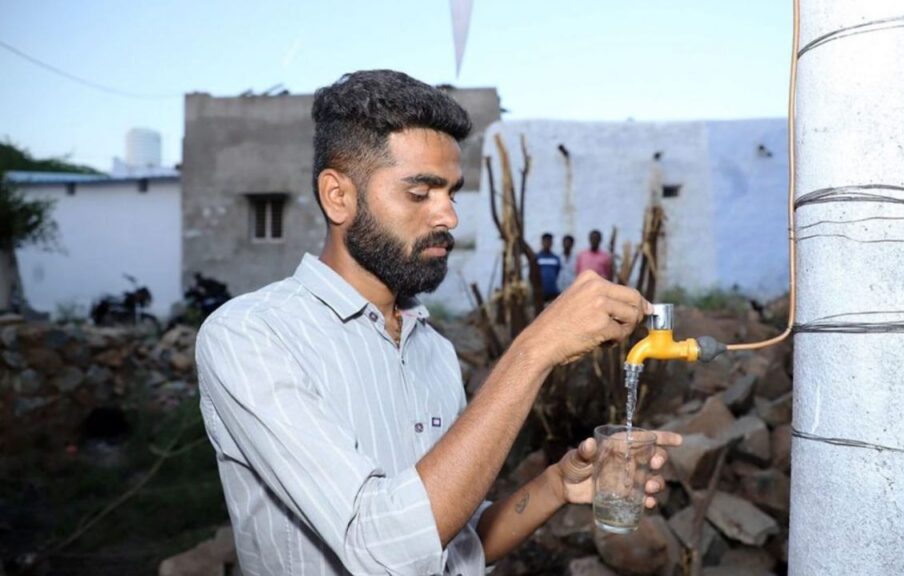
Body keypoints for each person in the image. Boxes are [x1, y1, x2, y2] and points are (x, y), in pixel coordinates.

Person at [195, 70, 680, 576]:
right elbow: (383, 549)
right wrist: (534, 349)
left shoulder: (433, 350)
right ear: (337, 196)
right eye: (420, 193)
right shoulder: (251, 337)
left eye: (452, 193)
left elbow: (449, 542)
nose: (448, 215)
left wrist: (557, 486)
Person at [535, 232, 561, 301]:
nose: (547, 243)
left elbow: (557, 273)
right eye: (546, 241)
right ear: (542, 242)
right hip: (540, 292)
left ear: (552, 243)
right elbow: (533, 274)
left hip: (553, 291)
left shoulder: (556, 258)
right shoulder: (537, 257)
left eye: (549, 241)